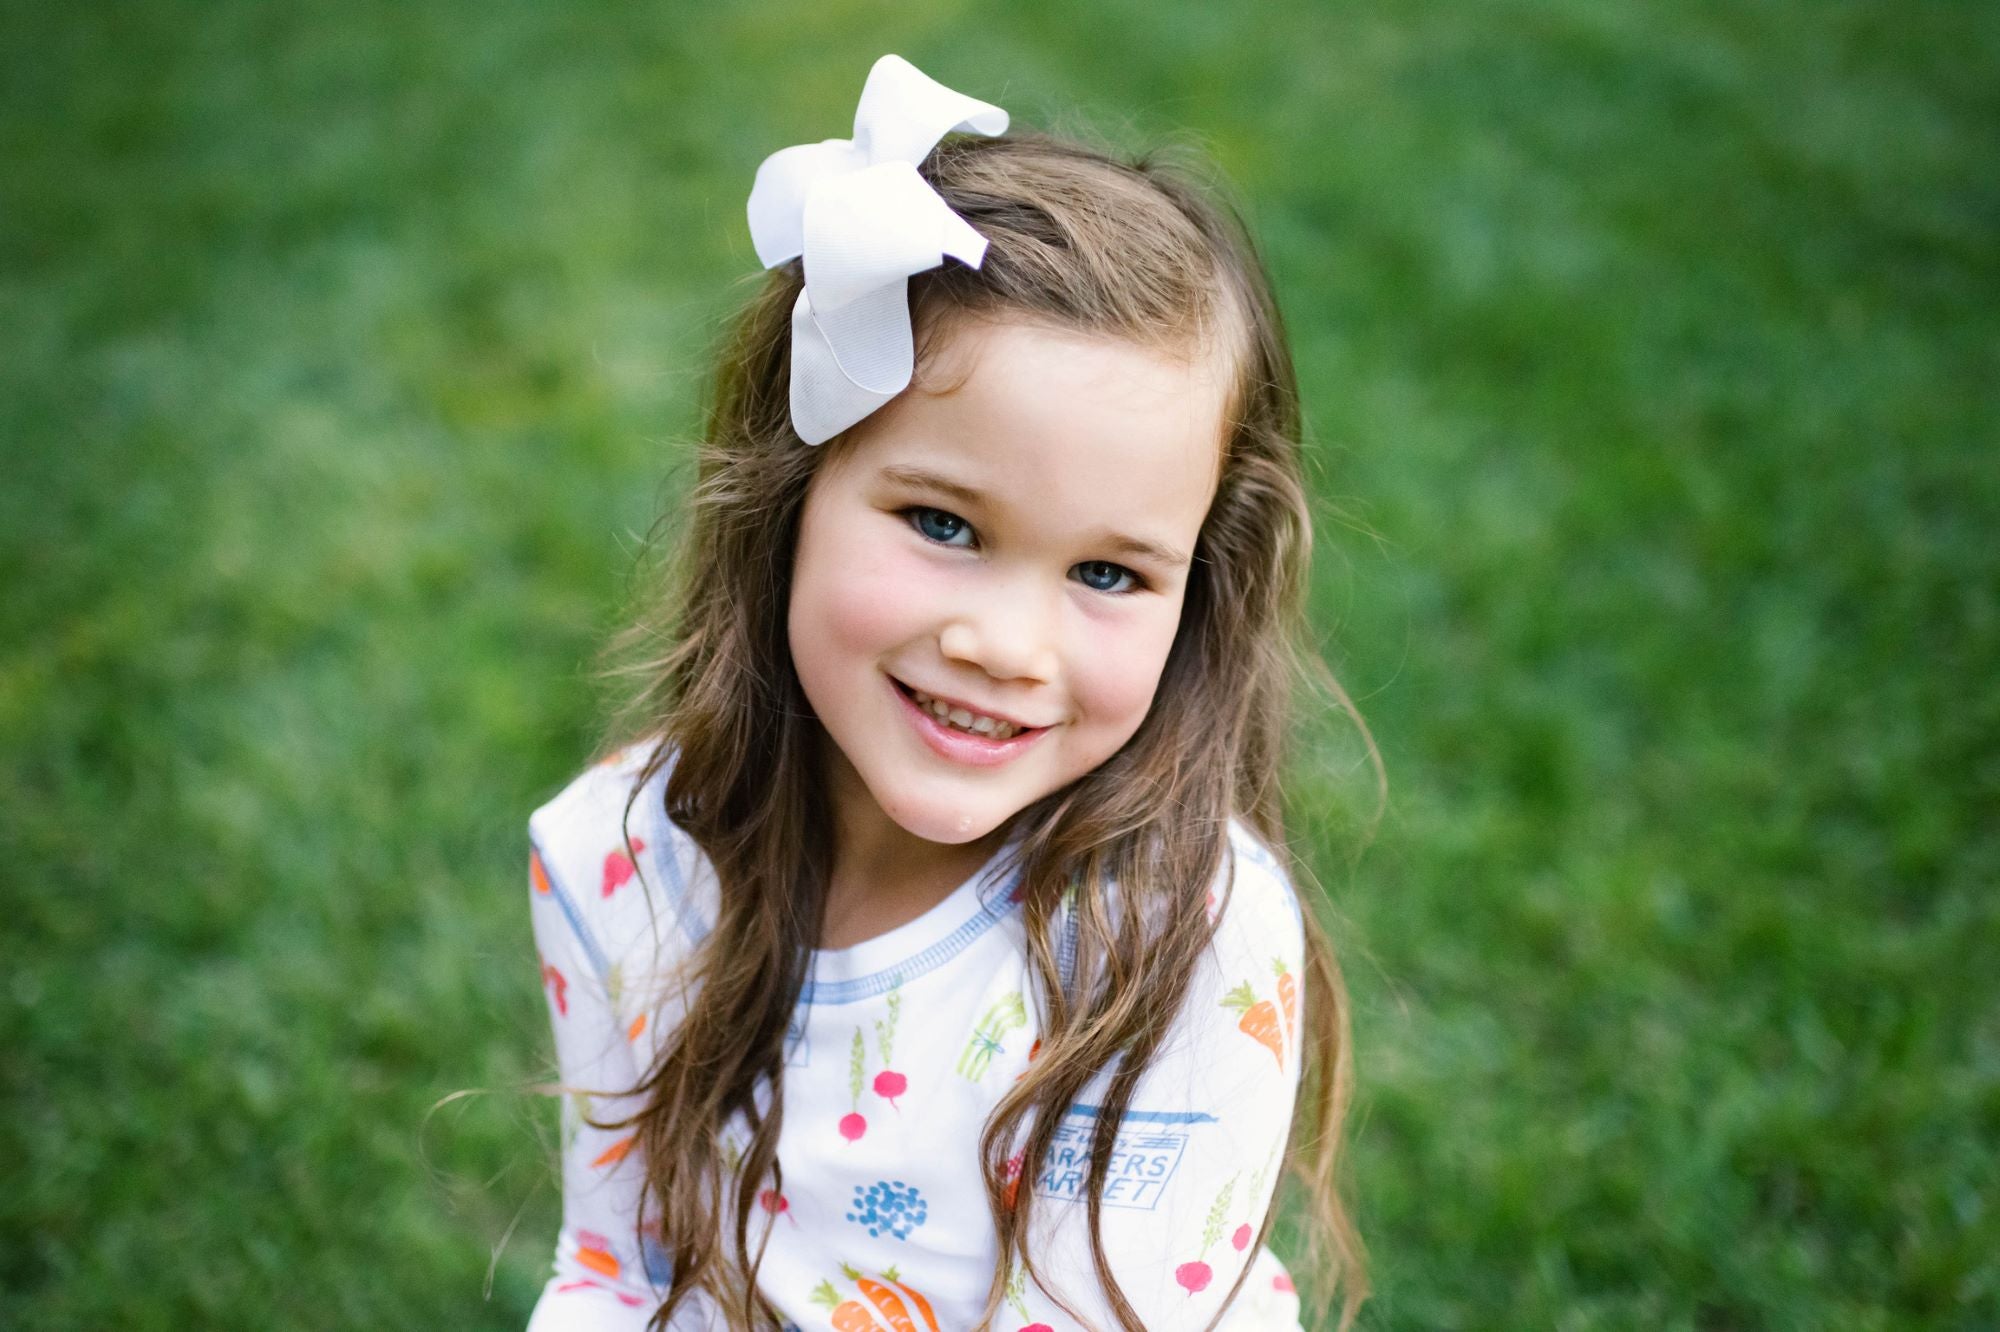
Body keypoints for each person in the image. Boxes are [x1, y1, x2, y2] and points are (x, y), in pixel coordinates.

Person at [523, 53, 1369, 1332]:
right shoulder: (619, 863)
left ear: (1195, 588)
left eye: (1105, 570)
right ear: (789, 490)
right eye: (942, 523)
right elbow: (616, 1272)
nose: (1005, 645)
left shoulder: (1183, 940)